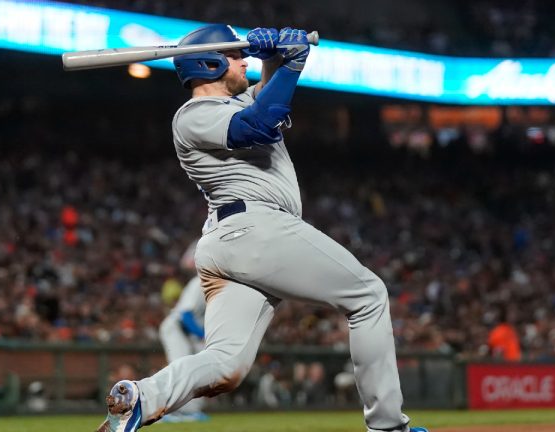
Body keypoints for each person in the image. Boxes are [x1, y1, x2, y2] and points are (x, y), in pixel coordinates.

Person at [95, 24, 428, 432]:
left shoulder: (237, 101)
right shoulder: (193, 114)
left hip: (235, 240)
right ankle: (389, 426)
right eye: (236, 56)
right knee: (369, 296)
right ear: (211, 62)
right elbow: (259, 124)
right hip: (254, 228)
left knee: (226, 364)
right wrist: (290, 63)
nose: (244, 60)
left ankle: (142, 398)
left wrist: (280, 54)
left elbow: (268, 97)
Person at [157, 244, 209, 422]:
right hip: (176, 328)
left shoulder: (216, 285)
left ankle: (187, 411)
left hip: (187, 332)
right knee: (181, 367)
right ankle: (171, 411)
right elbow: (185, 315)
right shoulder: (200, 281)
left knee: (195, 369)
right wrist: (202, 335)